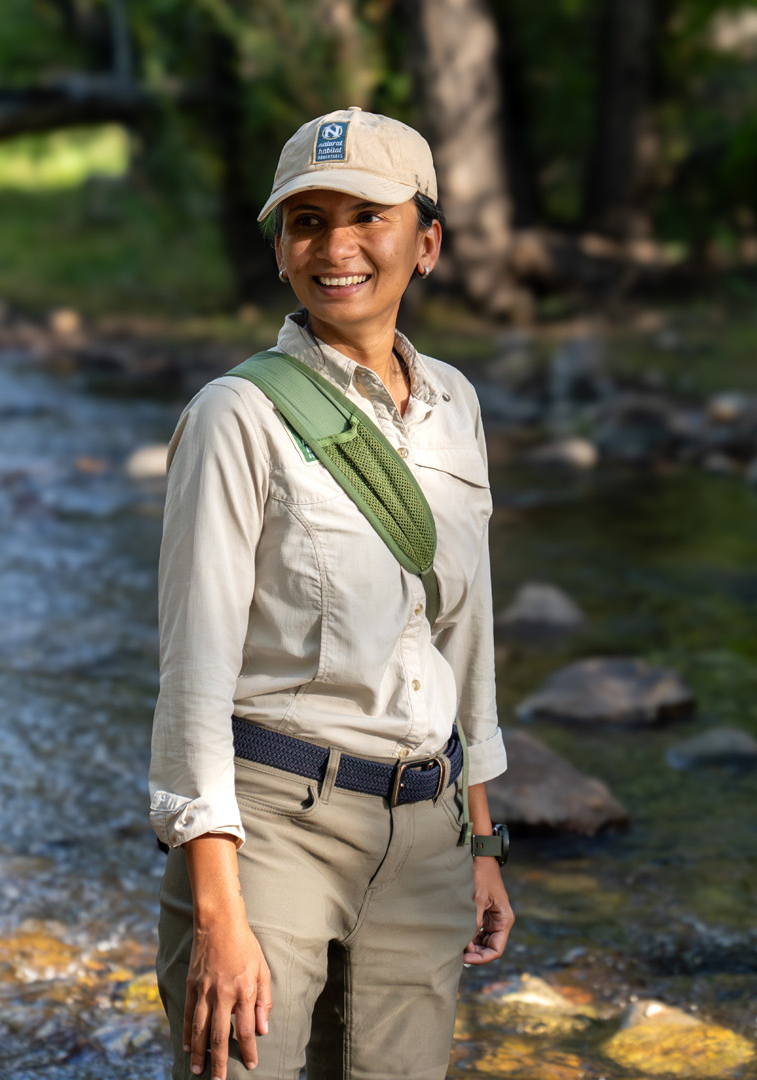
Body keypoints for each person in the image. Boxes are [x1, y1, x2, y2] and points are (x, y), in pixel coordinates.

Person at [149, 107, 514, 1080]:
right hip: (272, 829)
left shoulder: (455, 406)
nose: (336, 246)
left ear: (426, 243)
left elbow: (464, 637)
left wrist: (484, 839)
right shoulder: (238, 417)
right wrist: (220, 911)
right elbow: (193, 677)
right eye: (307, 221)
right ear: (279, 251)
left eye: (367, 216)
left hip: (426, 835)